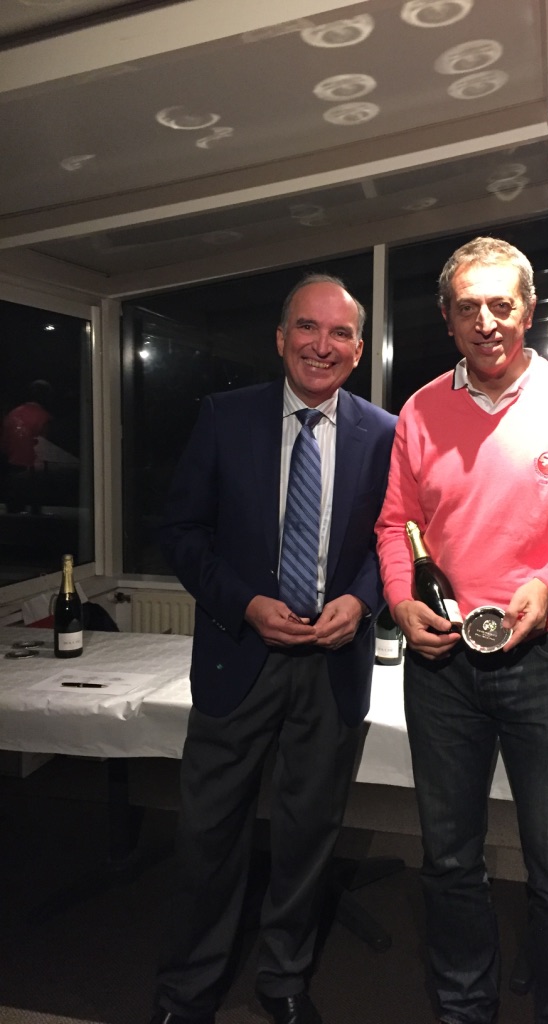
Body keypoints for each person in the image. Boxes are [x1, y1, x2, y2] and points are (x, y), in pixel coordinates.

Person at [375, 237, 548, 1024]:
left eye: (501, 304)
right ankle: (465, 1009)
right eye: (468, 307)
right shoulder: (420, 410)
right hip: (443, 666)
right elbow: (395, 525)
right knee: (449, 862)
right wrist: (399, 598)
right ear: (447, 319)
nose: (485, 321)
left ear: (530, 309)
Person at [151, 274, 397, 1024]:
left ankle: (284, 977)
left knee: (308, 833)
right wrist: (246, 604)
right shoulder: (224, 418)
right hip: (239, 655)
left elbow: (395, 541)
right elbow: (181, 533)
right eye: (307, 328)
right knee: (207, 833)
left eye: (339, 333)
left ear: (358, 349)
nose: (322, 345)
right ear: (282, 337)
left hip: (333, 664)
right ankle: (188, 989)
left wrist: (363, 601)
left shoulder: (386, 433)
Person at [0, 379, 53, 513]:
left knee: (13, 513)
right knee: (35, 514)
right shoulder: (44, 417)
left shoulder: (13, 414)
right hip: (34, 471)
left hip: (12, 468)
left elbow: (4, 445)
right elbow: (44, 449)